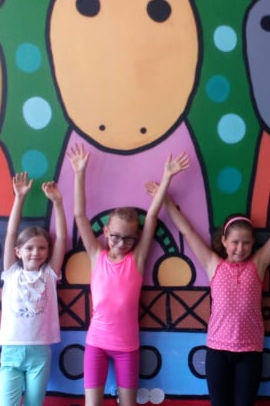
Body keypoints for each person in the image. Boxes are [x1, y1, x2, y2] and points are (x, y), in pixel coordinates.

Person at [149, 176, 270, 406]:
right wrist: (164, 198)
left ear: (253, 243)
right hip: (217, 350)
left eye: (246, 243)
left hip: (250, 351)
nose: (240, 248)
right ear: (224, 241)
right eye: (235, 242)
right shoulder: (213, 264)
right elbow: (187, 230)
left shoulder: (258, 264)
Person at [67, 144, 190, 406]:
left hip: (127, 348)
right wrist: (79, 173)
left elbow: (153, 215)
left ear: (136, 238)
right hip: (96, 345)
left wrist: (167, 176)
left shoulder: (137, 259)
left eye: (128, 239)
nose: (121, 243)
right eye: (115, 237)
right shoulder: (96, 256)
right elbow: (79, 215)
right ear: (105, 232)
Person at [0, 172, 66, 406]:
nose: (36, 252)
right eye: (29, 248)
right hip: (11, 350)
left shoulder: (49, 274)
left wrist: (58, 203)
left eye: (42, 248)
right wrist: (19, 198)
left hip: (40, 352)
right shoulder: (11, 272)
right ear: (18, 252)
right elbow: (10, 234)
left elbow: (62, 238)